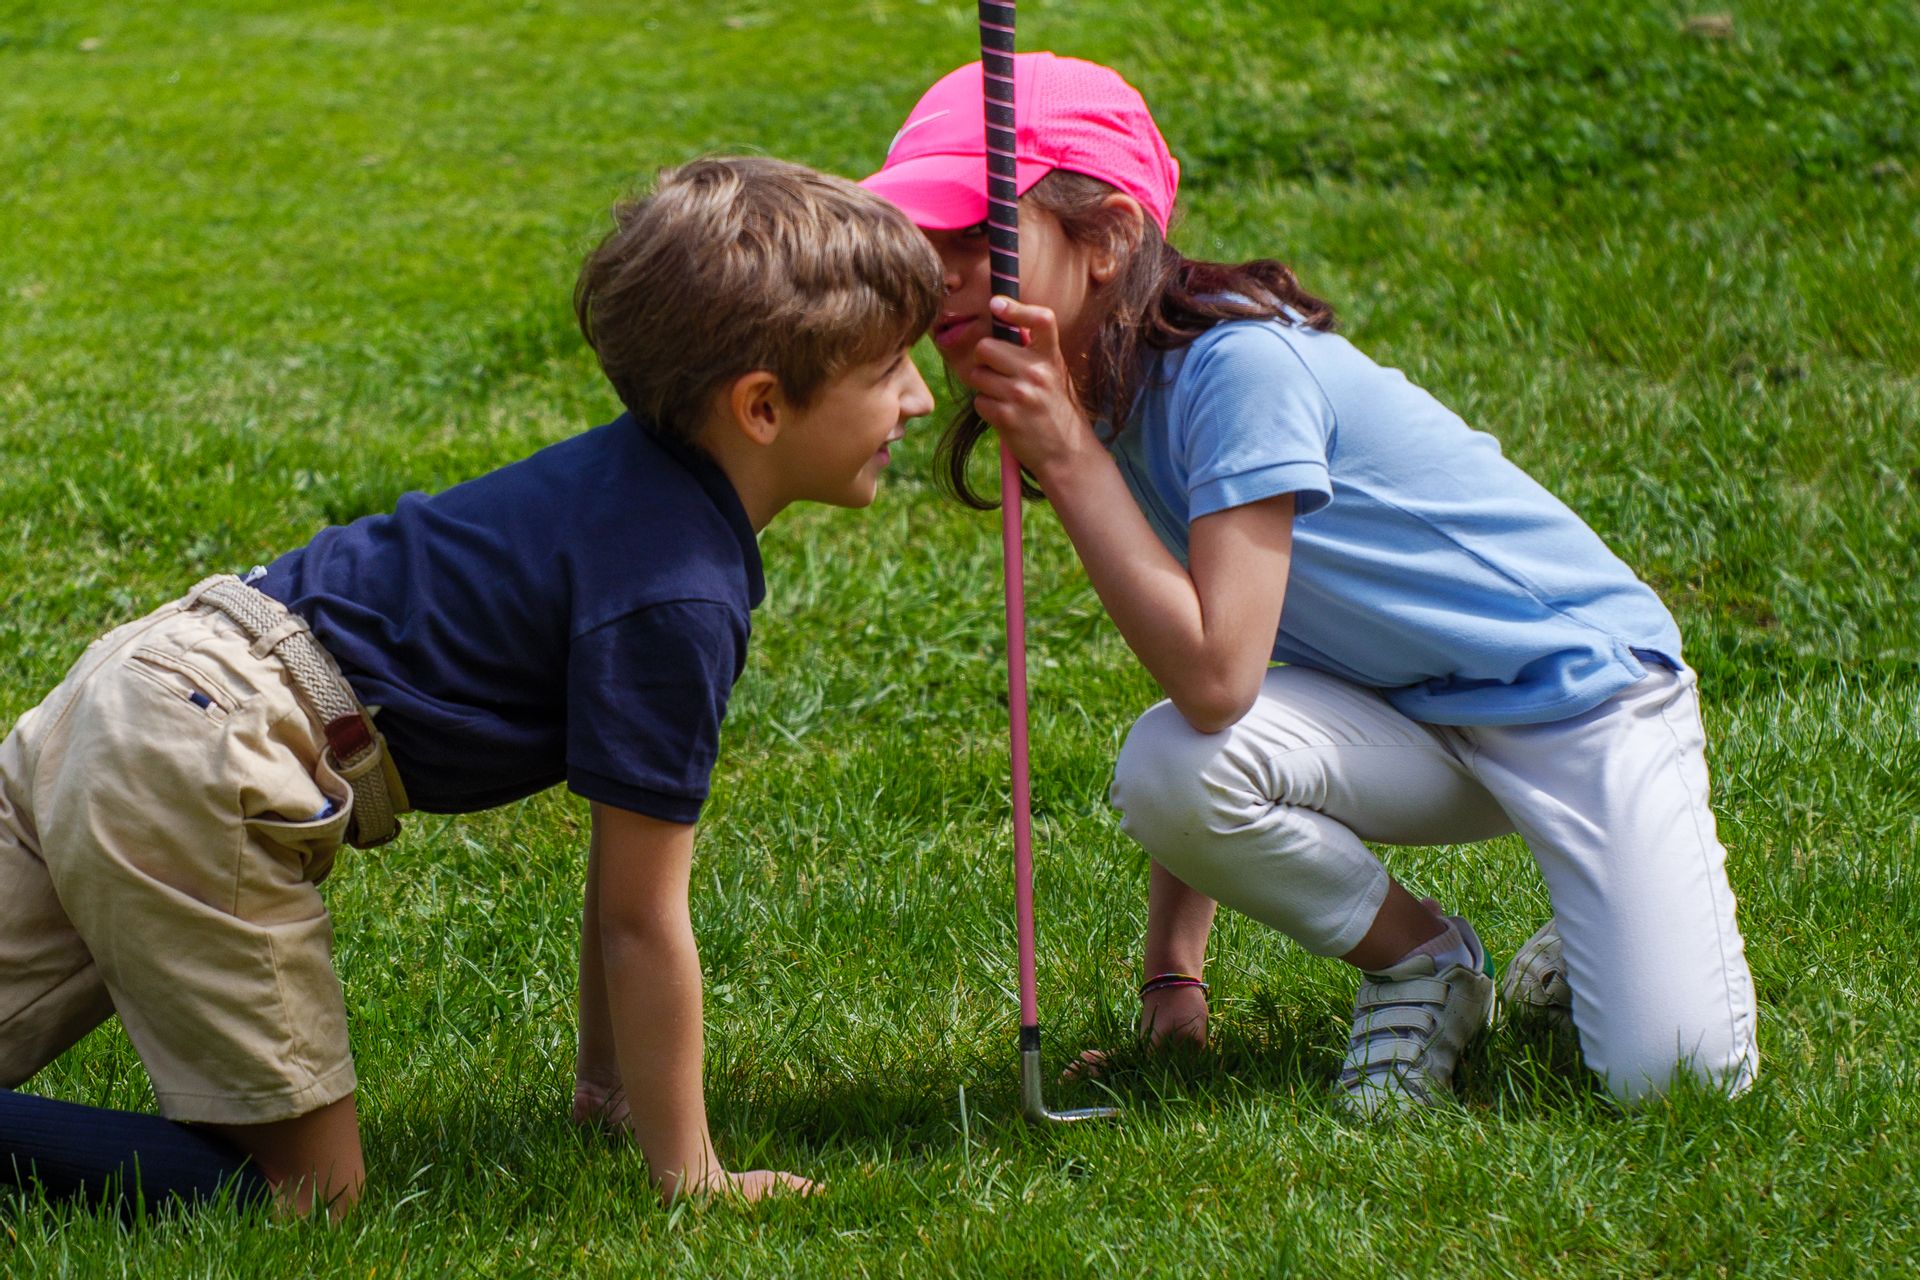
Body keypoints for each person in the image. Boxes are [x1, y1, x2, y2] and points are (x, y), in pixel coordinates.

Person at [0, 155, 940, 1216]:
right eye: (893, 366)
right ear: (762, 406)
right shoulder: (677, 595)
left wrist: (608, 1086)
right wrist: (691, 1172)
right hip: (209, 758)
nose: (920, 394)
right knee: (310, 1196)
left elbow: (619, 862)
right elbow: (642, 914)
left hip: (144, 679)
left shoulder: (635, 484)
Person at [860, 54, 1758, 1116]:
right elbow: (1213, 700)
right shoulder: (1103, 397)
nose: (940, 270)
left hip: (1584, 699)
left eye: (975, 233)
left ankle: (1606, 912)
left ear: (1105, 237)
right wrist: (1171, 977)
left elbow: (1217, 674)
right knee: (1166, 765)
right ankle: (1426, 962)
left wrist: (1067, 456)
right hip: (1408, 713)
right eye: (923, 240)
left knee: (1676, 1084)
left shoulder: (1235, 371)